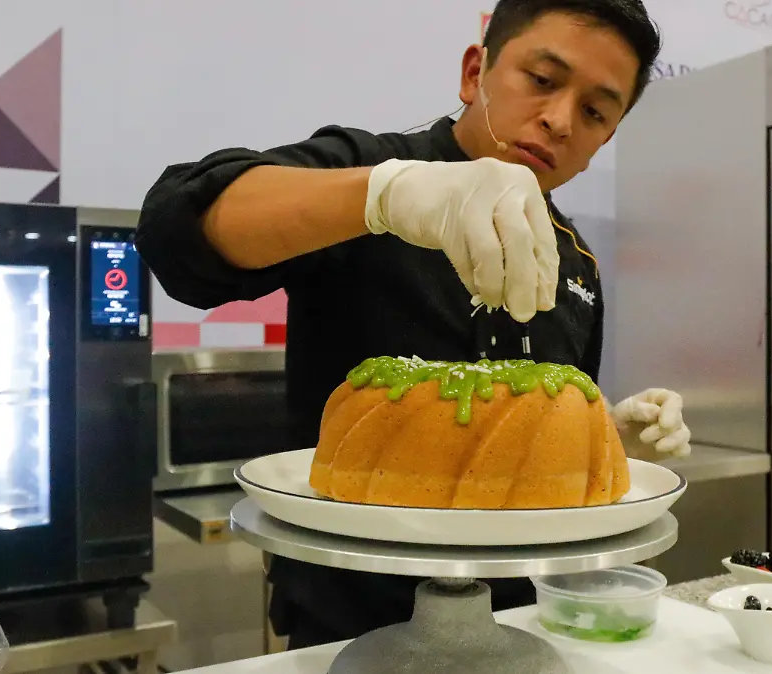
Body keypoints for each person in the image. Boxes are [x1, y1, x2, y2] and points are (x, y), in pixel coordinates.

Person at [136, 0, 692, 650]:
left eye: (596, 112)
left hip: (518, 623)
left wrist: (606, 441)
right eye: (542, 80)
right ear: (474, 73)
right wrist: (382, 198)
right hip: (344, 623)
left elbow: (532, 440)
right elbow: (176, 227)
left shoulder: (577, 262)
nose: (560, 120)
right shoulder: (369, 169)